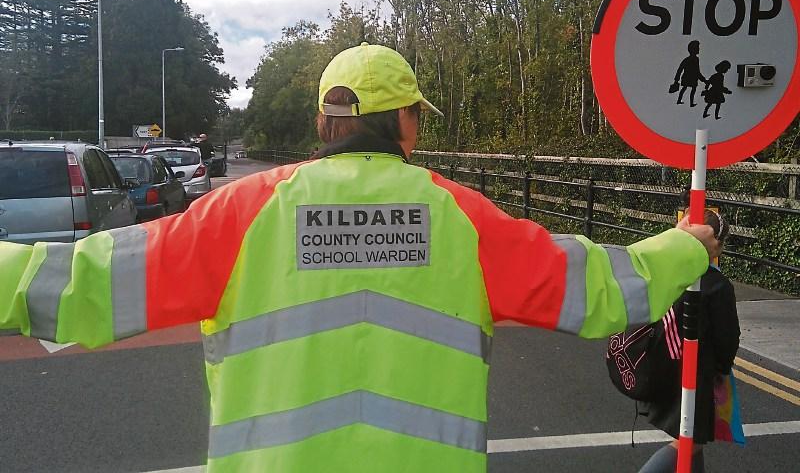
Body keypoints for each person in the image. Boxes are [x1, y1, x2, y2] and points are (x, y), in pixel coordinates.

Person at [0, 42, 720, 472]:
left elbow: (81, 287)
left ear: (324, 123)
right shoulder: (460, 218)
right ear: (405, 123)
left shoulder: (241, 213)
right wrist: (685, 249)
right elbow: (595, 289)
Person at [638, 208, 740, 473]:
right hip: (696, 373)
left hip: (665, 365)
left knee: (691, 442)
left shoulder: (671, 270)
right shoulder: (717, 284)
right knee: (687, 444)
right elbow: (727, 339)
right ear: (714, 242)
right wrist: (721, 369)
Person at [673, 40, 706, 107]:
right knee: (685, 88)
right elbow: (680, 69)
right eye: (697, 47)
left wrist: (703, 80)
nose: (699, 49)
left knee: (691, 89)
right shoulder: (688, 60)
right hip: (688, 77)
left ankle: (690, 103)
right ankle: (680, 100)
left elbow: (697, 71)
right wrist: (676, 80)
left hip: (692, 78)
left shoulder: (696, 59)